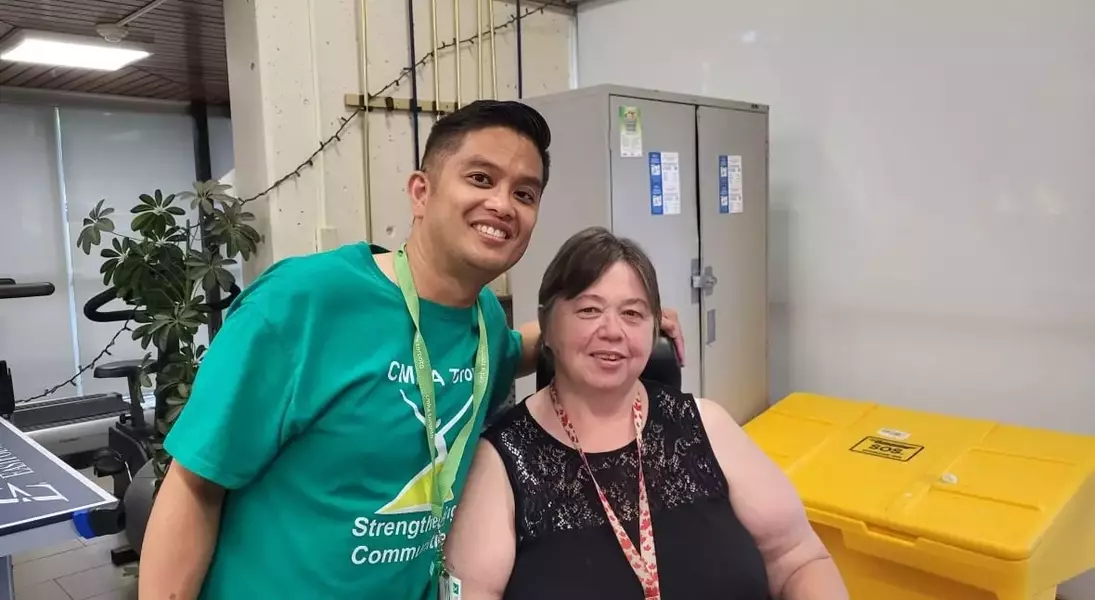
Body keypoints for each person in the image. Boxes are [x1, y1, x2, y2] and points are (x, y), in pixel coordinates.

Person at [137, 101, 685, 600]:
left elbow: (517, 347)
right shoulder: (301, 304)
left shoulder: (483, 321)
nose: (502, 204)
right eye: (480, 178)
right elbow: (195, 486)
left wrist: (622, 319)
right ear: (421, 192)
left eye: (525, 193)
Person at [442, 227, 849, 600]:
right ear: (547, 326)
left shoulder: (705, 425)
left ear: (654, 330)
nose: (612, 330)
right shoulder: (502, 460)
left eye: (632, 313)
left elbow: (799, 559)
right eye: (589, 310)